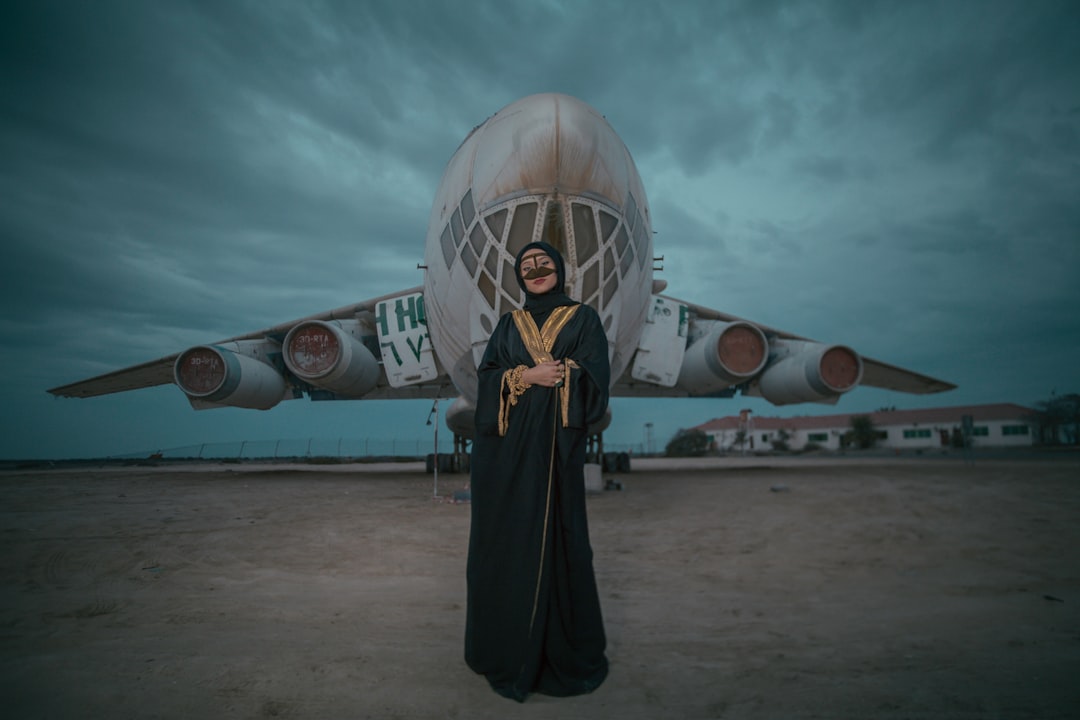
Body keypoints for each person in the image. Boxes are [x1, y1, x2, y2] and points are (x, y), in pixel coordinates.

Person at [464, 241, 611, 702]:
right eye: (526, 266)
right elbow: (487, 380)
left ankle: (561, 654)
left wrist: (564, 373)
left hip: (557, 460)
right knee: (507, 546)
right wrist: (525, 377)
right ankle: (505, 648)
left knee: (561, 545)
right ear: (518, 277)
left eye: (543, 262)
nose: (536, 270)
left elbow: (597, 379)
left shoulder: (584, 319)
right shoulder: (509, 325)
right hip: (507, 461)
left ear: (560, 269)